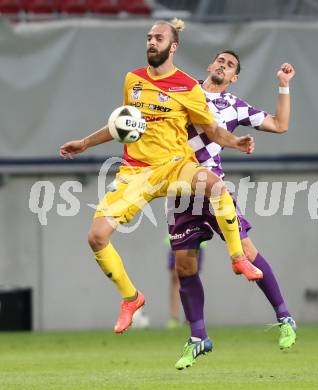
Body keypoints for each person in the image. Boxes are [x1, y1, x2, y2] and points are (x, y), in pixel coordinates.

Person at [59, 19, 261, 335]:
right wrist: (84, 143)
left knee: (216, 186)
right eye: (149, 37)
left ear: (173, 46)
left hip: (175, 166)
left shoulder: (188, 87)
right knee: (96, 237)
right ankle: (131, 298)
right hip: (136, 172)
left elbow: (212, 130)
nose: (152, 41)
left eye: (159, 37)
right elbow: (122, 124)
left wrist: (236, 141)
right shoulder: (133, 80)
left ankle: (237, 258)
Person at [168, 51, 296, 370]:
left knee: (248, 251)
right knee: (184, 267)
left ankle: (285, 317)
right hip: (180, 189)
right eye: (220, 61)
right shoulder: (185, 90)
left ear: (234, 77)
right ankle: (198, 338)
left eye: (231, 65)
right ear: (210, 65)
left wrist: (283, 86)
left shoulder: (236, 106)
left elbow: (280, 125)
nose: (224, 65)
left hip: (213, 188)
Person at [165, 237, 206, 329]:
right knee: (175, 277)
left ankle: (192, 318)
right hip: (176, 238)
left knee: (192, 277)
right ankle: (174, 318)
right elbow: (171, 221)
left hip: (195, 239)